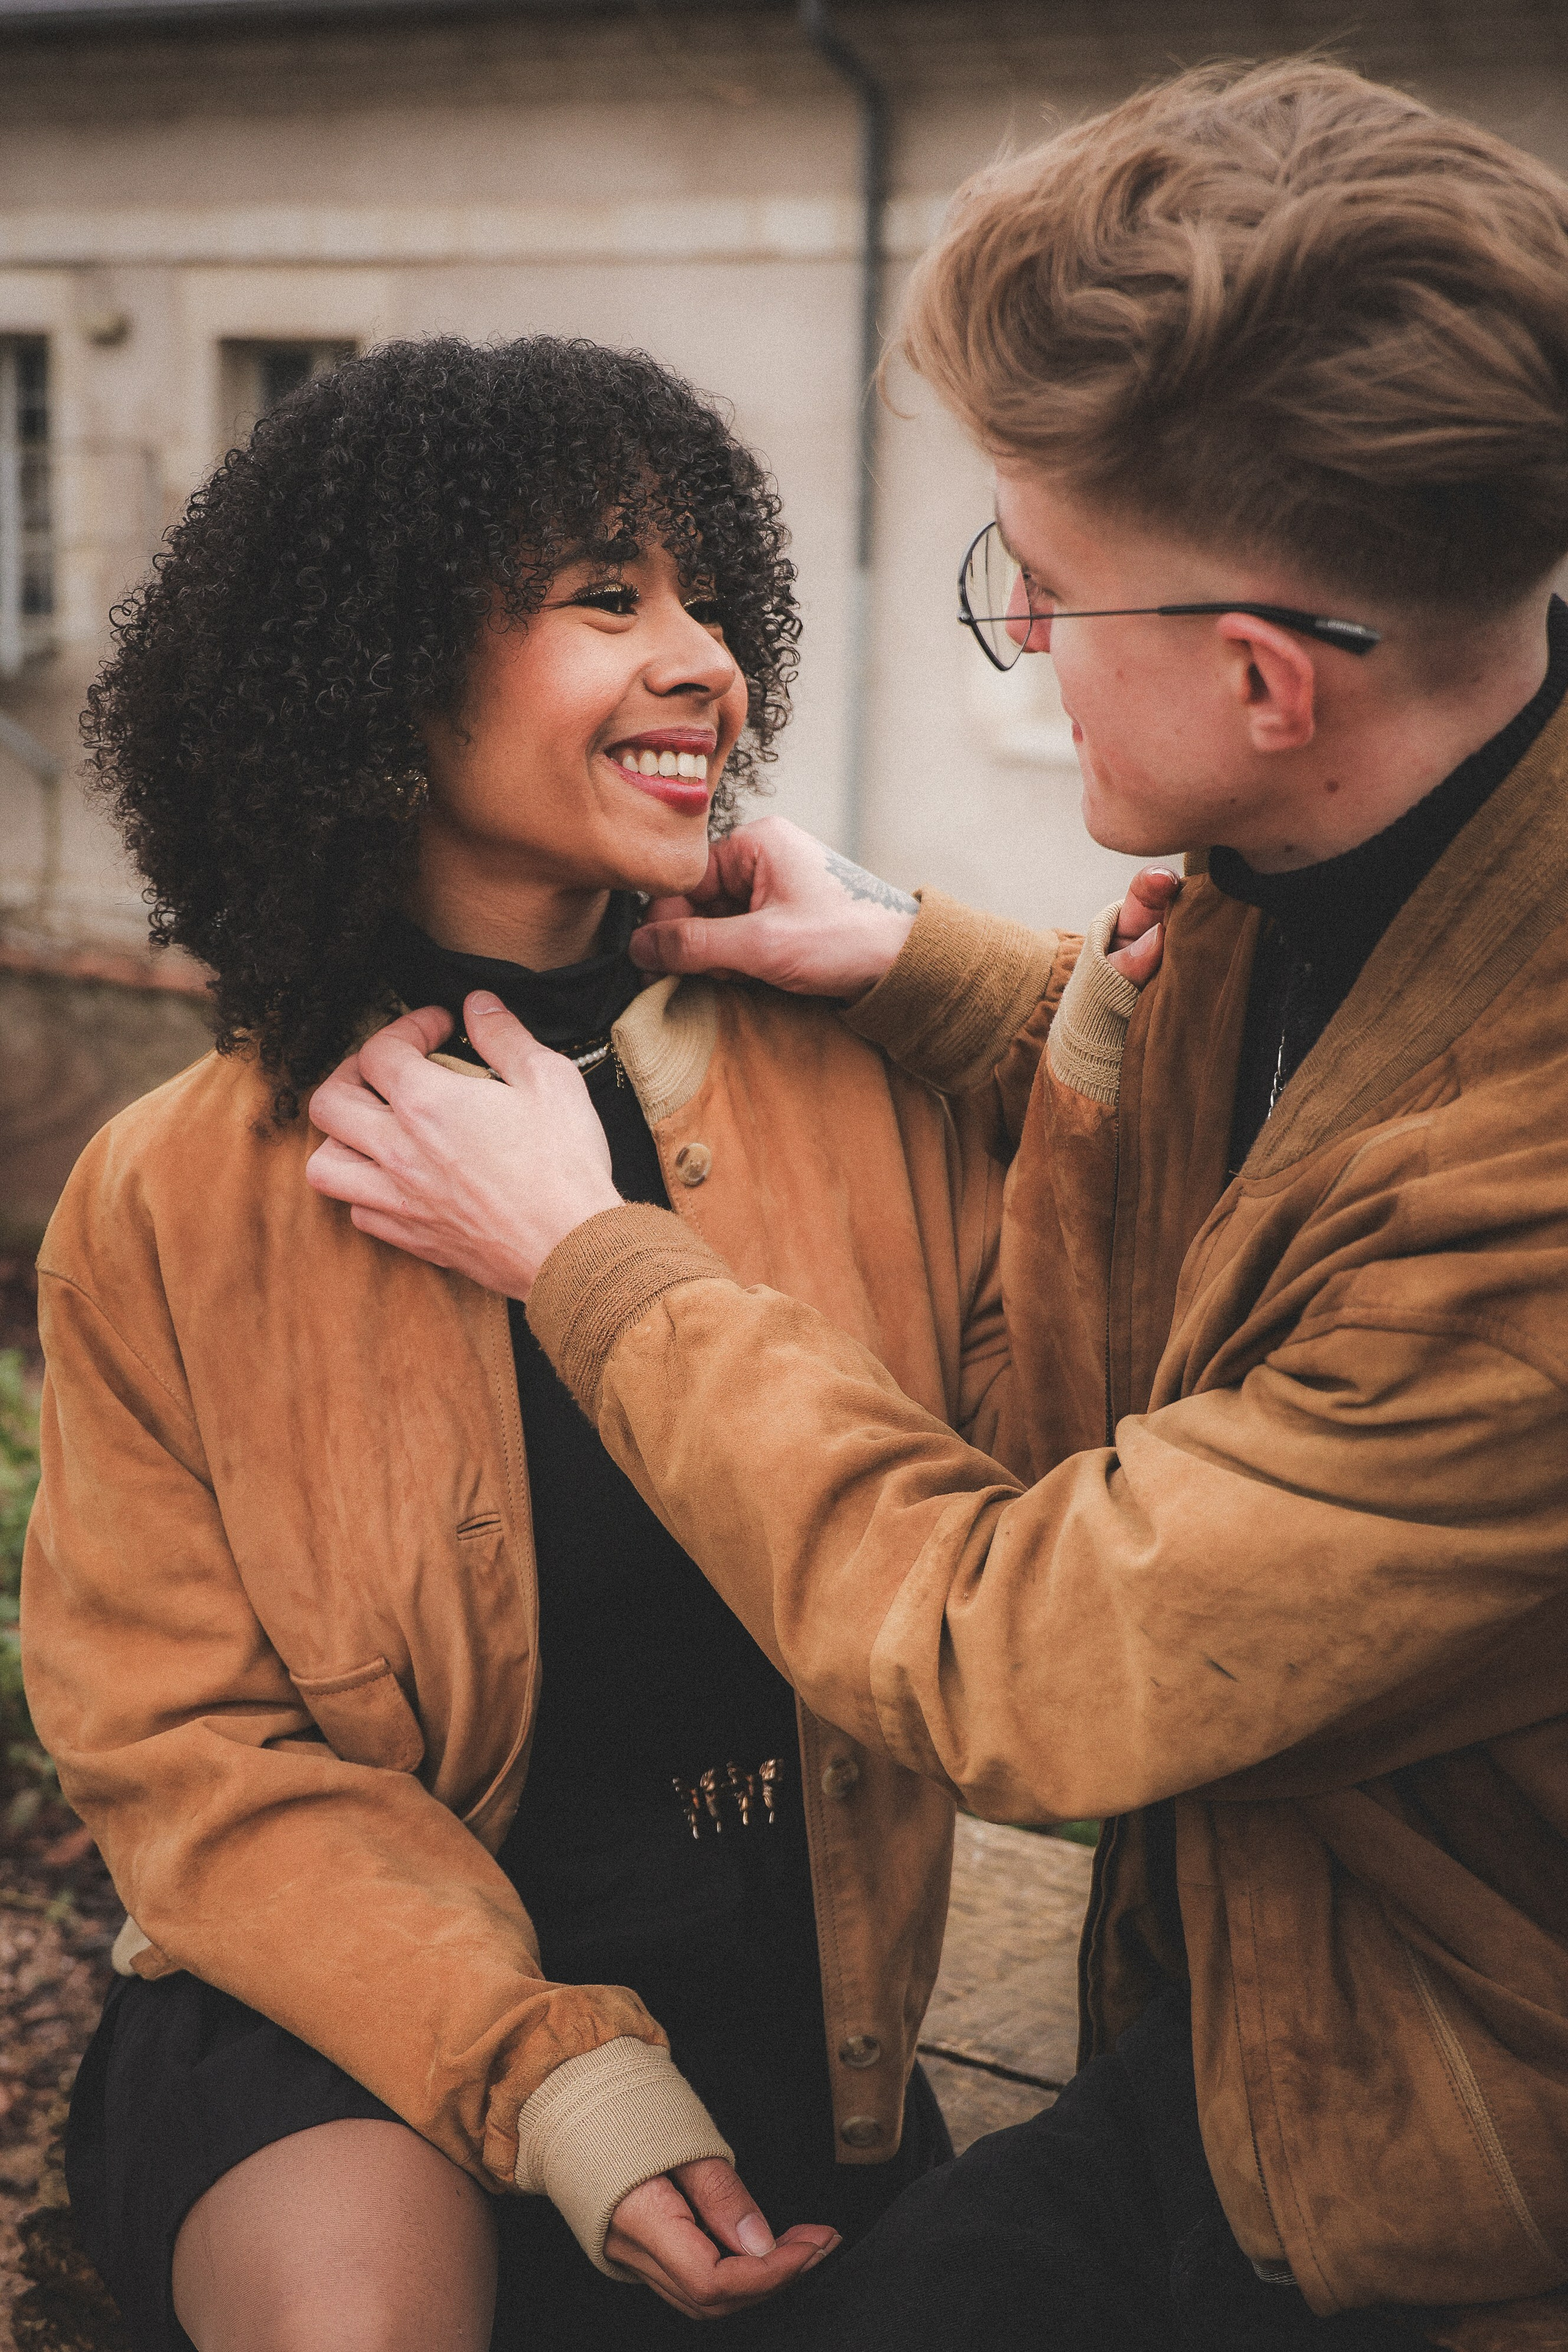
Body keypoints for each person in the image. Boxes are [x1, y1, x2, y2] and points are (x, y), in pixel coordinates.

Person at [304, 62, 1568, 2351]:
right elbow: (1289, 1147)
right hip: (1236, 2057)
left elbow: (1035, 1646)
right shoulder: (1337, 856)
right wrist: (952, 977)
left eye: (1046, 590)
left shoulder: (1536, 1216)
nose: (1025, 637)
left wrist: (583, 1252)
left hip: (1451, 2192)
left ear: (1266, 680)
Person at [18, 334, 1054, 2352]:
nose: (702, 663)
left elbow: (1098, 1492)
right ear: (385, 669)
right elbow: (186, 1747)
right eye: (608, 598)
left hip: (796, 2033)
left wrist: (967, 989)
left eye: (704, 602)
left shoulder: (877, 1088)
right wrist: (547, 2070)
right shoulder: (172, 1194)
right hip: (352, 2020)